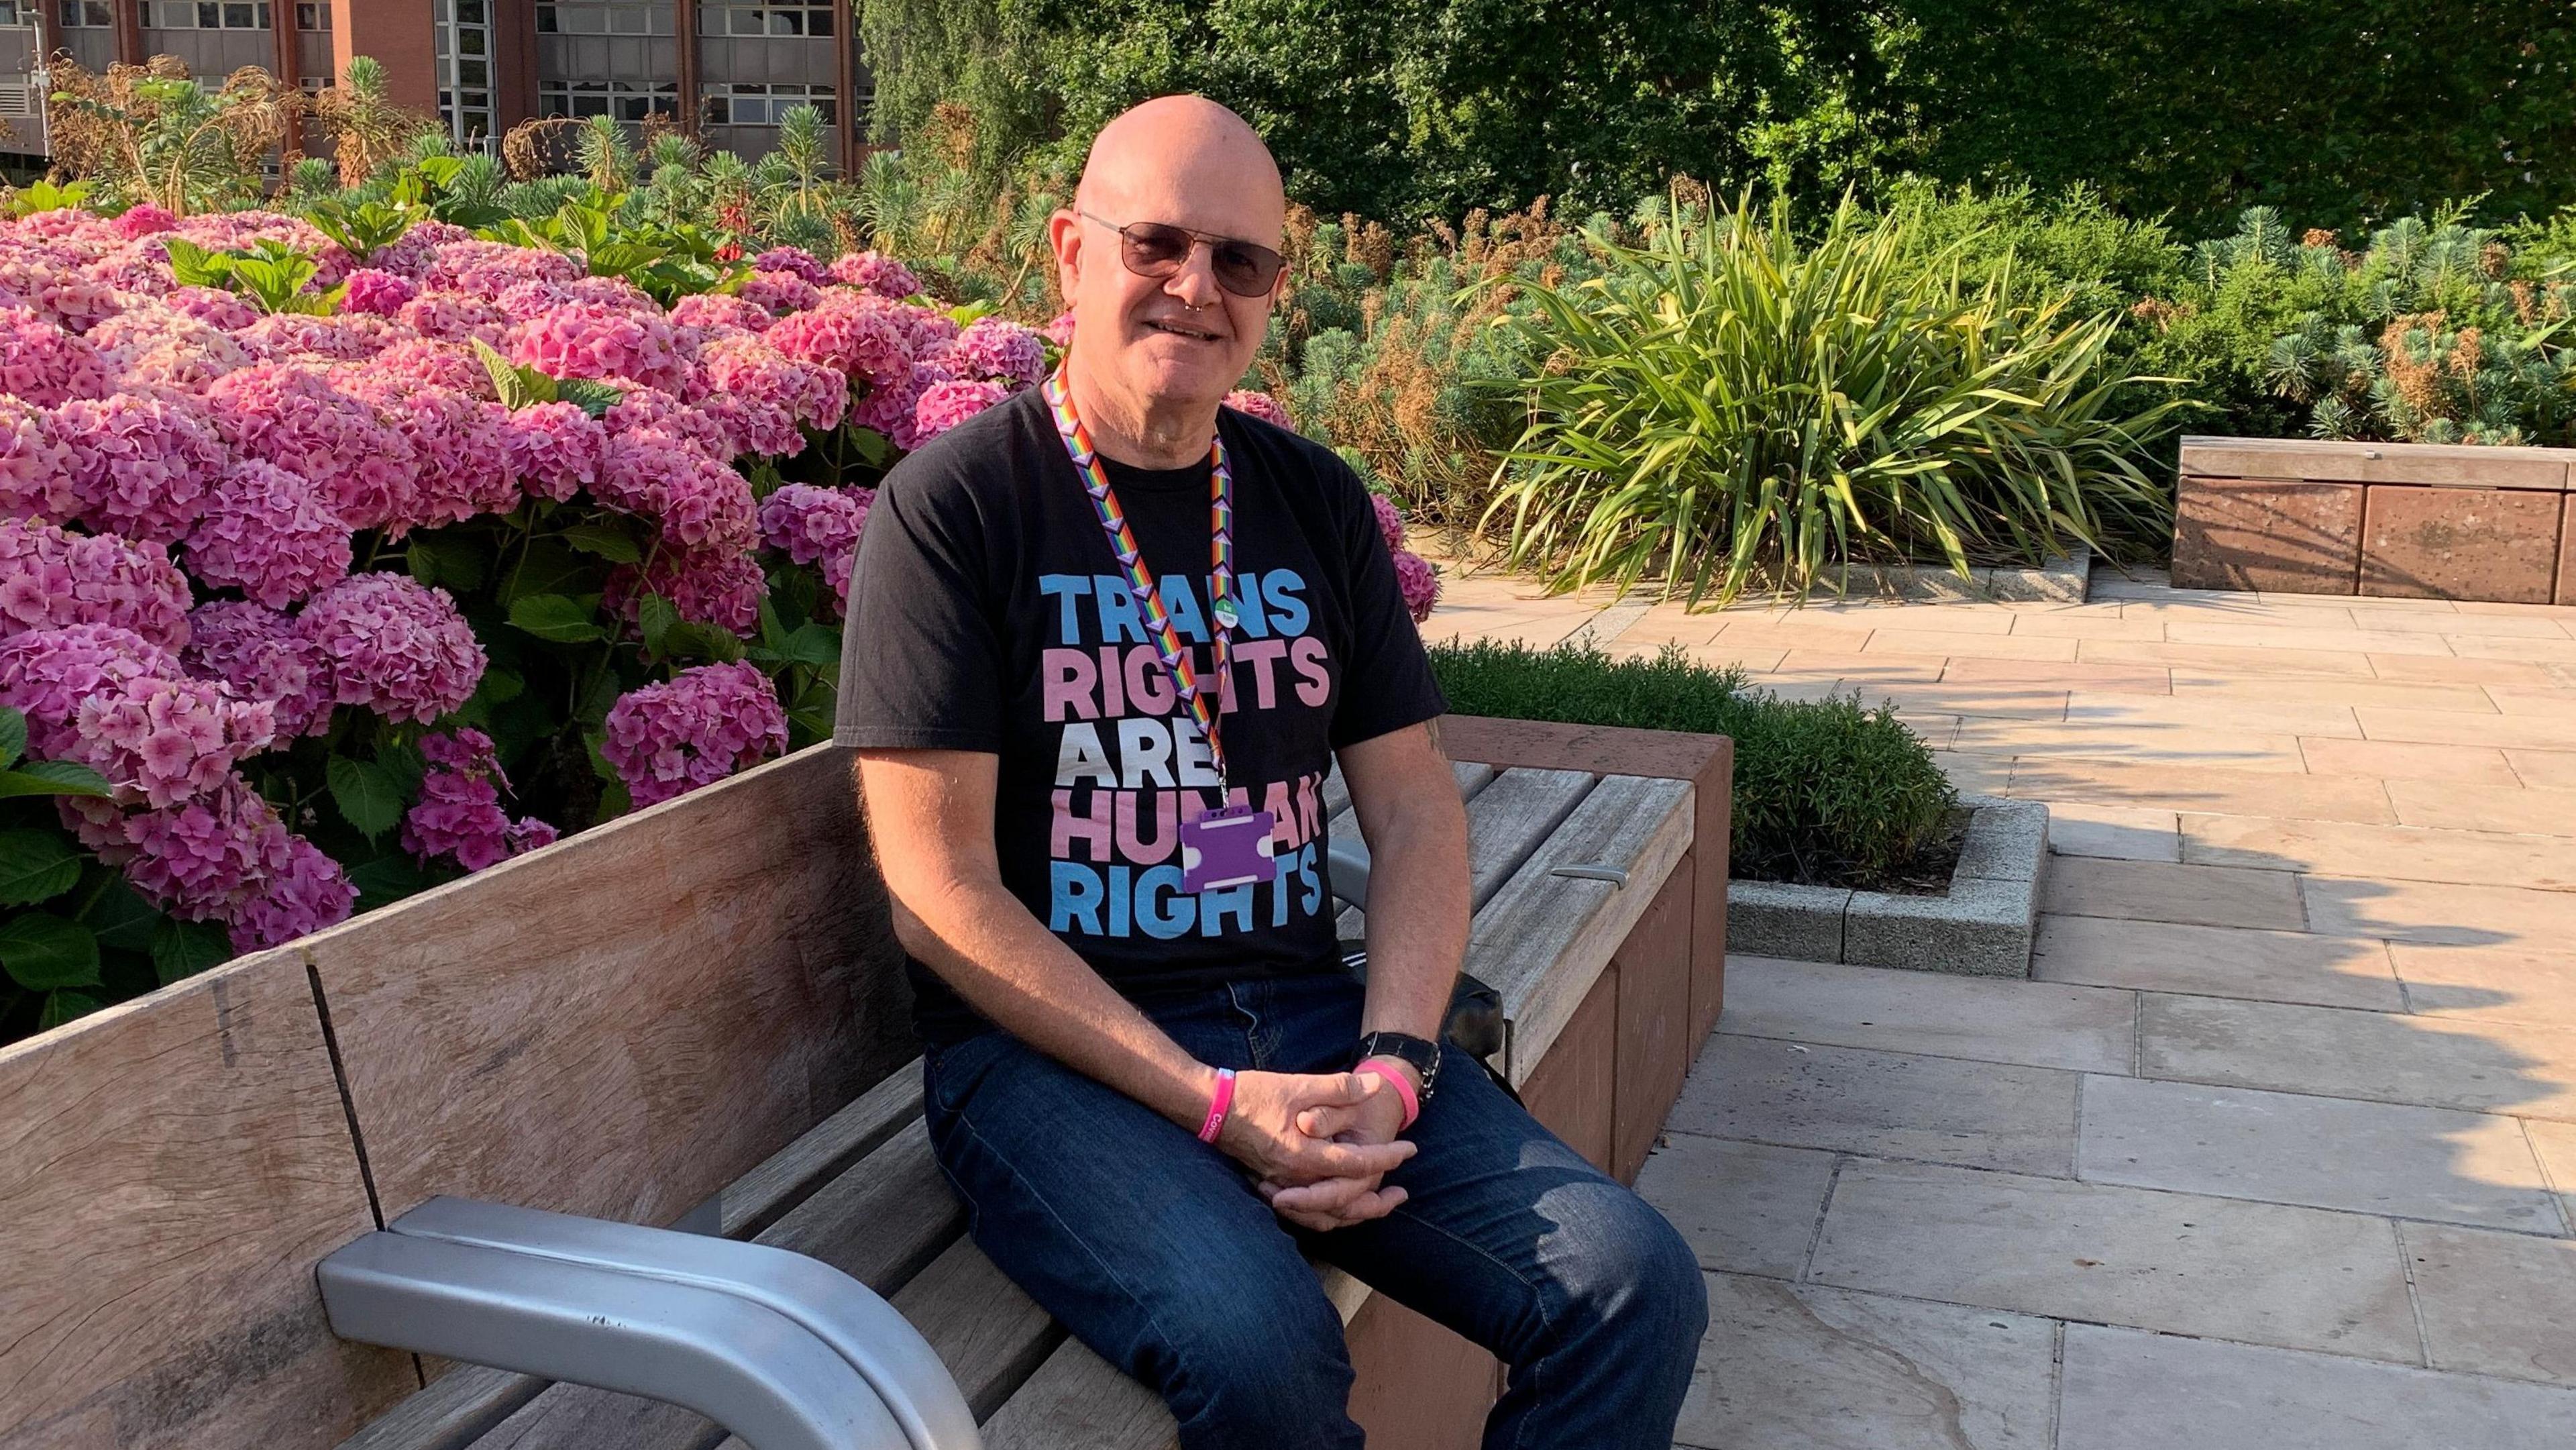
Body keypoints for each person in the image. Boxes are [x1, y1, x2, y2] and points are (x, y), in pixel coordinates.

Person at [835, 93, 1705, 1449]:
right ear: (1070, 253)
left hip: (1305, 1018)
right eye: (1157, 244)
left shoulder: (1309, 500)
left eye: (1242, 260)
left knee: (1630, 1283)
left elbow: (1414, 812)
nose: (1197, 287)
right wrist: (1211, 1105)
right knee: (1264, 1353)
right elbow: (935, 889)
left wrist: (1399, 1066)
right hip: (1050, 1064)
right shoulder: (959, 509)